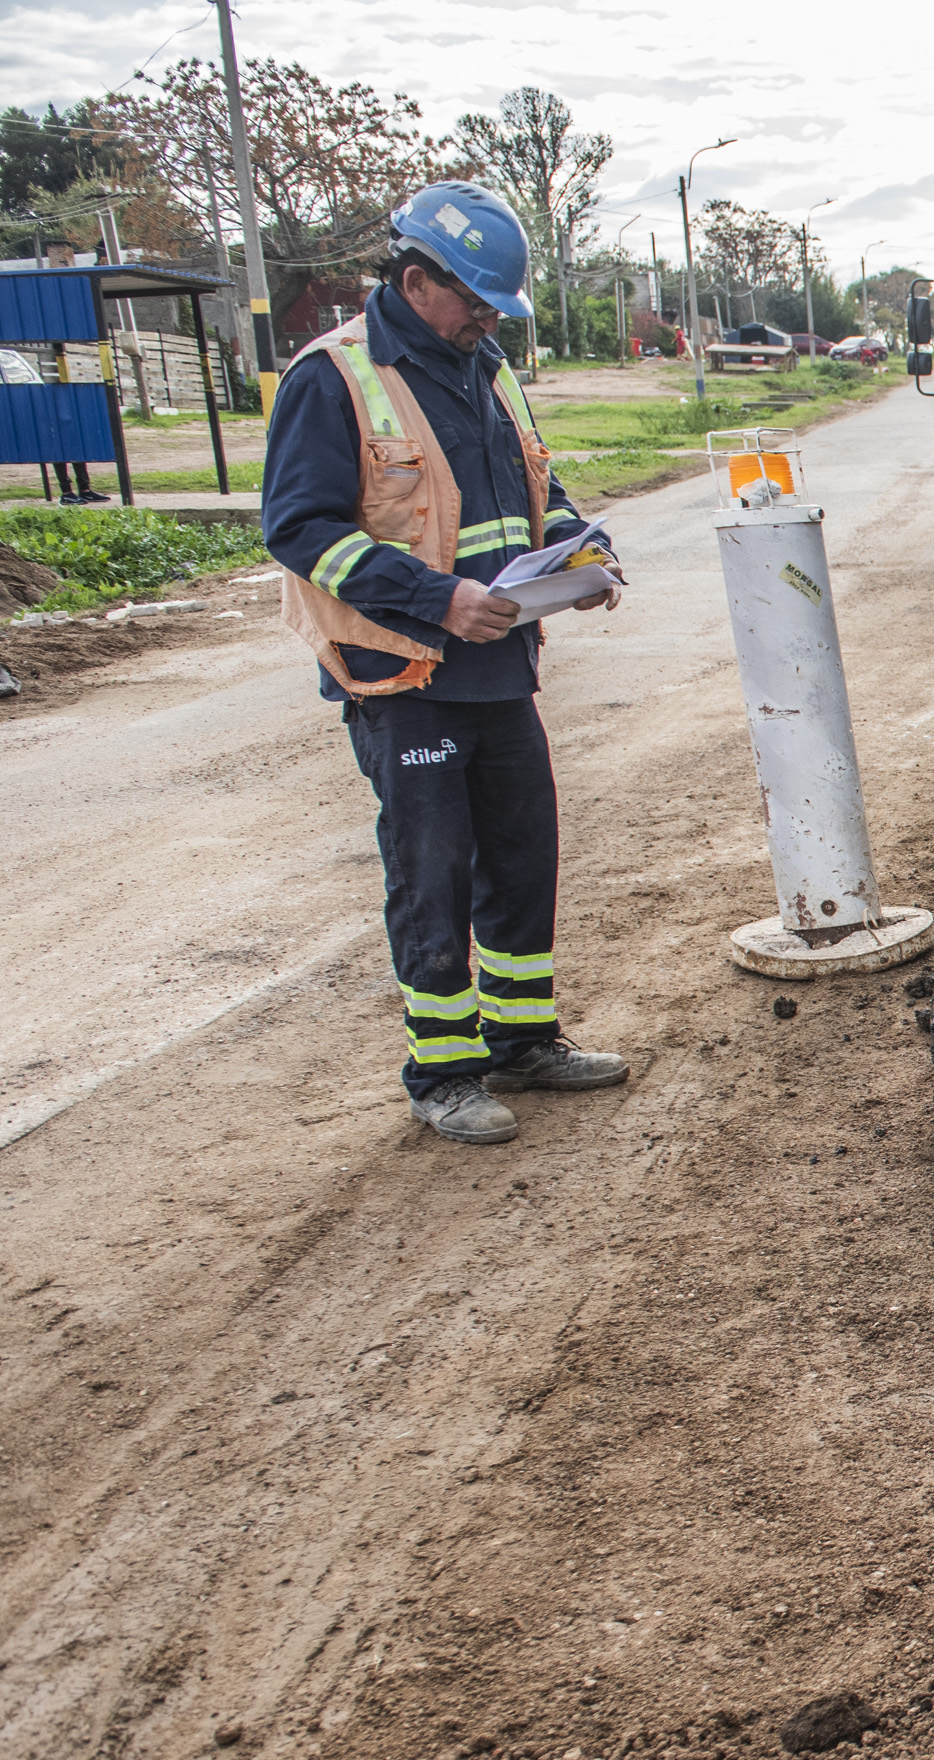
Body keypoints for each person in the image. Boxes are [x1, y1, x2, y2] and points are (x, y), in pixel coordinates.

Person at [260, 179, 629, 1147]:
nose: (484, 320)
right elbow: (299, 529)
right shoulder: (334, 376)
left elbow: (528, 491)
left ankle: (522, 1041)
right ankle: (444, 1069)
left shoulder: (487, 366)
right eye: (472, 301)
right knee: (432, 870)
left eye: (494, 307)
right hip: (403, 675)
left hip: (501, 664)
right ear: (417, 280)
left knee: (521, 856)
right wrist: (440, 600)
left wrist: (578, 550)